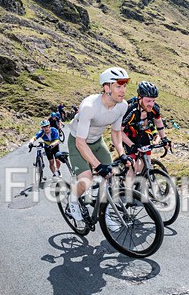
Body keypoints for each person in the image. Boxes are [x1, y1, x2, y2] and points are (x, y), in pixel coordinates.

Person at [65, 67, 132, 221]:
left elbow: (115, 133)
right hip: (78, 143)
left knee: (110, 177)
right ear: (106, 87)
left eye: (124, 86)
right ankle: (73, 199)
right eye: (118, 86)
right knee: (86, 179)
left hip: (97, 142)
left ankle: (107, 215)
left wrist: (122, 154)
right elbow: (80, 142)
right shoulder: (90, 106)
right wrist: (97, 166)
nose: (123, 91)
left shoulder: (122, 106)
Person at [121, 81, 169, 175]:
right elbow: (119, 132)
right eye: (148, 101)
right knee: (132, 168)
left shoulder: (154, 108)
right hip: (129, 136)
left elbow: (158, 122)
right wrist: (132, 145)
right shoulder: (131, 110)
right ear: (140, 97)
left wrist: (164, 138)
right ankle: (127, 188)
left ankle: (143, 184)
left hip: (143, 134)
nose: (151, 104)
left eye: (153, 100)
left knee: (147, 164)